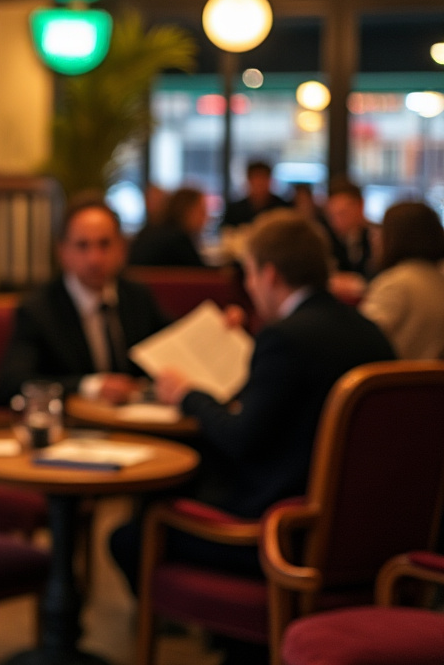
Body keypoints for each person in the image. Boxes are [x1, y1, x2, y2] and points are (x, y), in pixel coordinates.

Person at [112, 210, 394, 664]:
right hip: (365, 537)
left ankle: (240, 641)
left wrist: (189, 395)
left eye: (247, 273)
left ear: (268, 273)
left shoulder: (285, 339)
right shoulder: (369, 334)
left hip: (279, 535)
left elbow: (242, 439)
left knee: (136, 531)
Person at [0, 198, 172, 406]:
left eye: (105, 244)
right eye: (82, 246)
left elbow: (173, 342)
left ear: (122, 249)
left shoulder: (136, 296)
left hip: (138, 423)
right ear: (62, 252)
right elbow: (11, 384)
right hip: (76, 427)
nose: (94, 259)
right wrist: (91, 387)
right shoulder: (39, 309)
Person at [359, 202, 444, 359]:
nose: (374, 238)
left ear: (395, 236)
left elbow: (361, 343)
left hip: (396, 381)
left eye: (381, 230)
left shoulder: (395, 284)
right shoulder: (438, 278)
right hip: (434, 381)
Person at [128, 186, 208, 267]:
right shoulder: (177, 239)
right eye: (201, 211)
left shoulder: (150, 230)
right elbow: (202, 274)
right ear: (187, 211)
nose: (206, 217)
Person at [325, 178, 378, 278]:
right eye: (332, 215)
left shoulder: (377, 239)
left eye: (343, 214)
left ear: (361, 206)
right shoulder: (327, 239)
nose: (336, 221)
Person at [221, 160, 290, 228]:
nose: (259, 184)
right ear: (249, 180)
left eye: (263, 179)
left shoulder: (283, 208)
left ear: (270, 180)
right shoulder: (234, 210)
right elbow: (226, 232)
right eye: (256, 179)